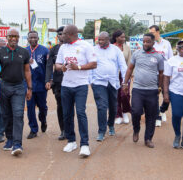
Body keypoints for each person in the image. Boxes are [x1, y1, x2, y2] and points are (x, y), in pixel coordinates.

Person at [0, 28, 33, 156]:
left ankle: (17, 144)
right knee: (5, 114)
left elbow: (27, 71)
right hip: (4, 86)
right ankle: (10, 139)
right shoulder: (0, 53)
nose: (14, 38)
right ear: (7, 37)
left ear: (19, 38)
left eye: (16, 36)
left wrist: (29, 88)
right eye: (11, 36)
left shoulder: (24, 52)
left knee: (18, 114)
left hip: (19, 87)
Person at [55, 25, 97, 157]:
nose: (61, 36)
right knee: (67, 114)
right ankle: (71, 141)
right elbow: (57, 64)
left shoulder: (85, 46)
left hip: (81, 85)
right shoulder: (63, 47)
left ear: (71, 34)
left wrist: (77, 67)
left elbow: (94, 63)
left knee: (80, 113)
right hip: (66, 85)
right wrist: (61, 67)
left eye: (64, 34)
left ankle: (84, 145)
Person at [122, 33, 164, 148]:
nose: (145, 44)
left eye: (148, 42)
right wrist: (125, 83)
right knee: (135, 111)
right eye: (144, 41)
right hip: (138, 89)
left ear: (153, 43)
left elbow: (161, 73)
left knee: (151, 115)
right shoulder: (137, 54)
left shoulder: (158, 56)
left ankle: (148, 138)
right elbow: (130, 68)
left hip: (152, 90)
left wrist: (159, 87)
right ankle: (136, 129)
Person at [91, 32, 127, 141]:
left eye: (102, 40)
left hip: (113, 82)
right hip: (98, 82)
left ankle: (110, 124)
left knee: (113, 106)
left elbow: (123, 65)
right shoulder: (93, 50)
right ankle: (101, 131)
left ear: (108, 39)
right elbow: (89, 64)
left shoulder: (116, 50)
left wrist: (125, 82)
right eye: (99, 40)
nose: (100, 42)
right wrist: (91, 81)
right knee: (102, 106)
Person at [25, 31, 49, 139]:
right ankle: (33, 129)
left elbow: (48, 67)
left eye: (35, 37)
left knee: (42, 107)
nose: (33, 39)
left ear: (38, 38)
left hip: (41, 85)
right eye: (31, 37)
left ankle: (43, 120)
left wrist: (49, 80)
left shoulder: (44, 50)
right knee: (30, 108)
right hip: (28, 85)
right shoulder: (24, 51)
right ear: (28, 39)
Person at [149, 25, 173, 127]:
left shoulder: (166, 44)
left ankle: (162, 110)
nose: (151, 34)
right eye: (150, 32)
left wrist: (172, 73)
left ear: (158, 32)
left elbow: (171, 59)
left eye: (153, 32)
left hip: (165, 74)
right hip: (154, 74)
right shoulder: (150, 44)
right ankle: (157, 116)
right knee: (154, 96)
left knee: (167, 96)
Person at [45, 26, 65, 140]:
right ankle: (63, 130)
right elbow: (49, 66)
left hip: (72, 83)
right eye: (59, 34)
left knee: (69, 106)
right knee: (60, 106)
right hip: (58, 82)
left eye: (63, 33)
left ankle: (69, 129)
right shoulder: (53, 49)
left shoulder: (73, 48)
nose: (61, 35)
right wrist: (48, 80)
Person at [111, 30, 132, 125]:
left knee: (125, 94)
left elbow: (130, 61)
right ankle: (118, 115)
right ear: (116, 37)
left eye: (124, 37)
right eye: (121, 37)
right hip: (114, 74)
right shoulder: (111, 47)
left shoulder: (127, 48)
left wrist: (130, 74)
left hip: (125, 74)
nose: (123, 39)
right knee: (116, 95)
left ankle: (125, 112)